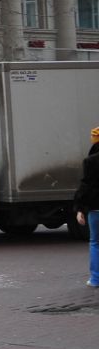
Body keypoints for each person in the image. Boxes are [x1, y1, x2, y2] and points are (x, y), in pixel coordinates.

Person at [77, 124, 99, 289]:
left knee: (95, 242)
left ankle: (96, 279)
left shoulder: (90, 161)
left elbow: (85, 187)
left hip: (95, 208)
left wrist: (79, 208)